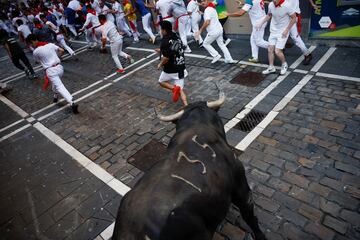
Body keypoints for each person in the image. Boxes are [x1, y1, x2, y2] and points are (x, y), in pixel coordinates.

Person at [26, 34, 79, 114]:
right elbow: (62, 50)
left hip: (51, 71)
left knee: (59, 86)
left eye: (31, 43)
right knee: (56, 85)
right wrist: (57, 57)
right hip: (60, 68)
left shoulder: (36, 51)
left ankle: (71, 102)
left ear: (33, 41)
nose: (31, 45)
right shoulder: (50, 44)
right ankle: (55, 96)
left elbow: (37, 61)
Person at [256, 0, 296, 75]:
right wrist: (261, 23)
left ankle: (284, 64)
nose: (273, 1)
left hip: (283, 32)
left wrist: (287, 30)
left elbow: (294, 18)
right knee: (270, 49)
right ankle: (271, 67)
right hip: (273, 30)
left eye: (275, 0)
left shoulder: (287, 5)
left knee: (277, 51)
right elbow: (269, 15)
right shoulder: (271, 5)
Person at [157, 20, 188, 106]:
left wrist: (160, 64)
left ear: (164, 30)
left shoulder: (164, 41)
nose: (160, 31)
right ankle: (186, 105)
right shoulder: (176, 36)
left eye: (161, 29)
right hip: (181, 67)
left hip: (170, 69)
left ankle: (174, 89)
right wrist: (161, 50)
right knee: (180, 90)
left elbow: (166, 58)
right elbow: (174, 48)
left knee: (161, 81)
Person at [288, 0, 316, 65]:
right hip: (286, 16)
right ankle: (282, 48)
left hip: (292, 16)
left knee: (295, 37)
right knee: (283, 34)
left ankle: (307, 54)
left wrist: (312, 4)